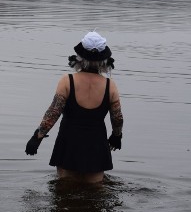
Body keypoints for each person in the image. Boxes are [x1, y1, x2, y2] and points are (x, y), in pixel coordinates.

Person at [25, 31, 124, 183]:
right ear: (104, 59)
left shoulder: (67, 81)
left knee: (64, 190)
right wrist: (117, 136)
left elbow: (53, 113)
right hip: (96, 146)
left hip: (68, 144)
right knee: (96, 192)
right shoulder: (110, 86)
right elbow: (117, 118)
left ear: (79, 56)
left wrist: (37, 138)